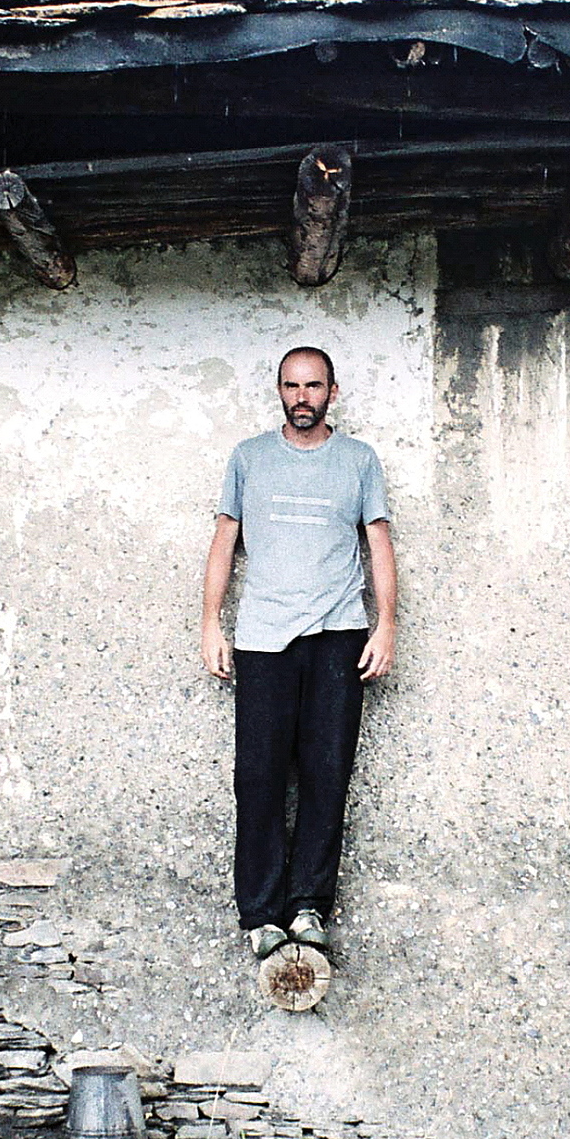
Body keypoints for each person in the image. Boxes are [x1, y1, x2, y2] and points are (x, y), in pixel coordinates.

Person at [200, 347, 396, 961]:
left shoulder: (359, 460)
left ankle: (308, 905)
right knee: (258, 779)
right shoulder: (249, 457)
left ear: (332, 392)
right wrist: (210, 623)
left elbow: (379, 544)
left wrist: (386, 625)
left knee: (326, 775)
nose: (302, 396)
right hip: (263, 639)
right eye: (292, 386)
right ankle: (261, 913)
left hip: (339, 636)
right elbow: (224, 541)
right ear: (279, 391)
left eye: (313, 386)